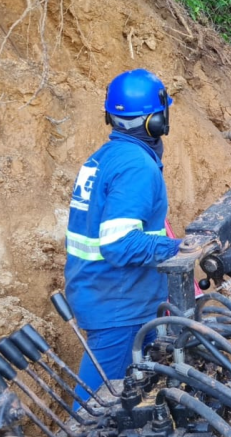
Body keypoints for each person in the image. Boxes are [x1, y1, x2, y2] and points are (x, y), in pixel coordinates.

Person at [64, 69, 182, 405]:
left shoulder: (106, 156)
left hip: (105, 294)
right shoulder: (136, 167)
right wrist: (177, 248)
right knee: (96, 408)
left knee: (130, 397)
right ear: (154, 121)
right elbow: (119, 244)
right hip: (120, 305)